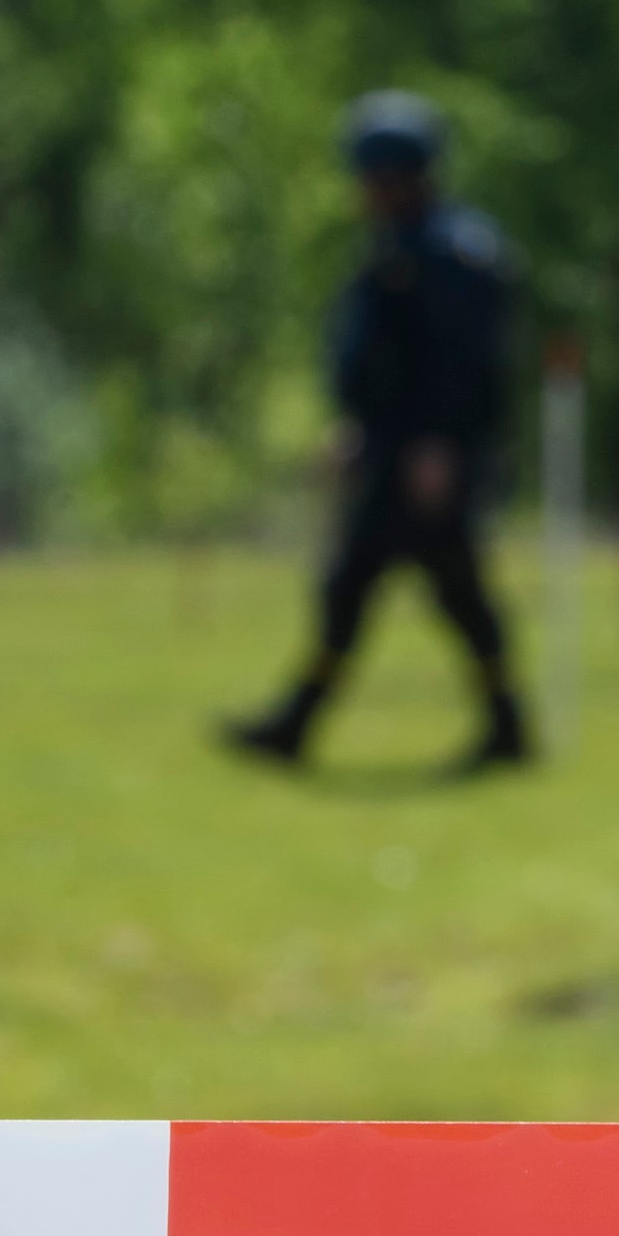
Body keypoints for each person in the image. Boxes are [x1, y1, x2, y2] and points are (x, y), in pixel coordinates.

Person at [221, 90, 532, 775]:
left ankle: (300, 725)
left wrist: (438, 443)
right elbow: (385, 361)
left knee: (373, 587)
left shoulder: (452, 252)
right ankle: (506, 725)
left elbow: (463, 362)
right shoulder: (400, 245)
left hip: (425, 457)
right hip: (395, 448)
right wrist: (360, 429)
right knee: (435, 591)